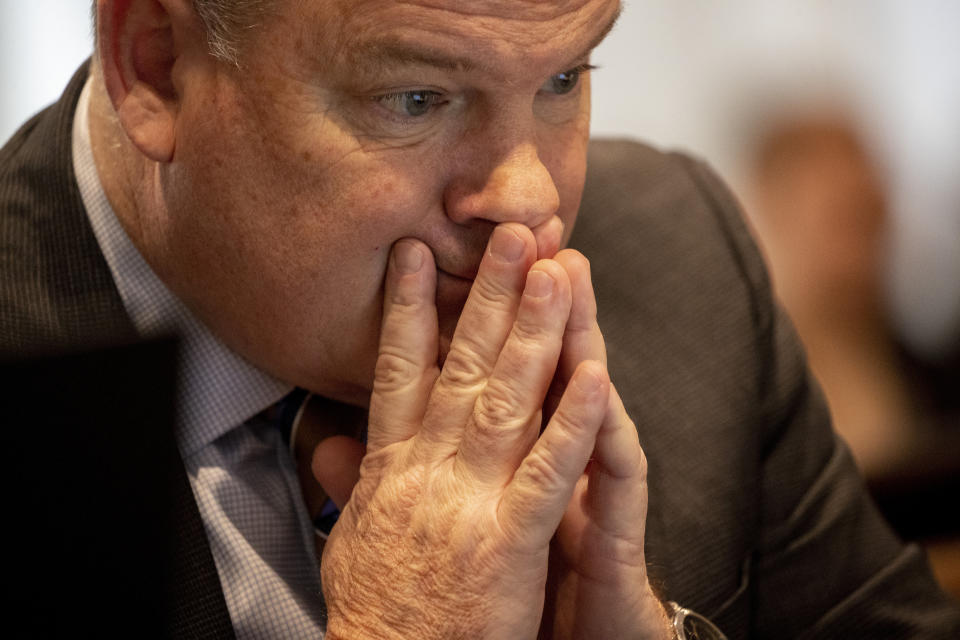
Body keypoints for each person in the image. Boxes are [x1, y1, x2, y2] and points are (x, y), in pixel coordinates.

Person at [1, 0, 958, 638]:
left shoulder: (684, 258)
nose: (531, 200)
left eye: (563, 81)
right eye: (415, 99)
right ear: (156, 65)